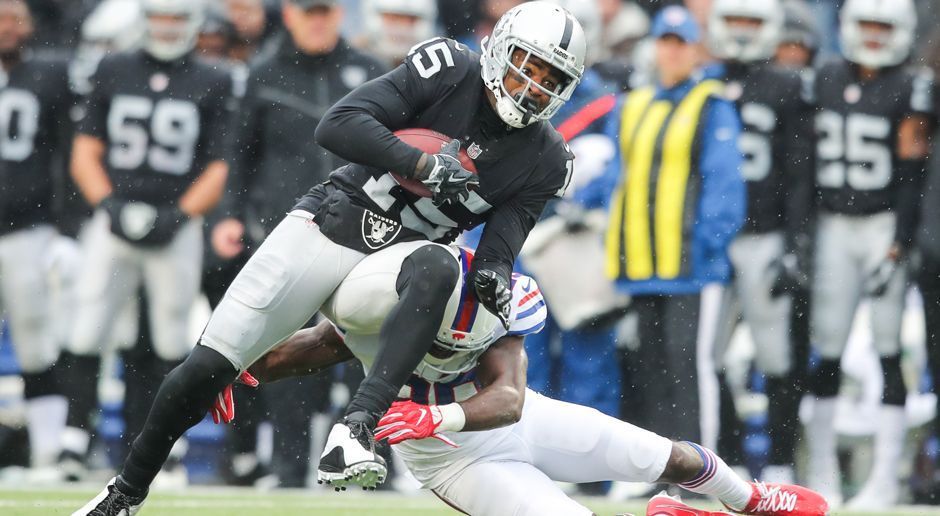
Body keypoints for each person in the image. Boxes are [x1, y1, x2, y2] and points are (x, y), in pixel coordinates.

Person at [75, 2, 584, 513]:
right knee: (203, 367)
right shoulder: (451, 69)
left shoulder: (545, 158)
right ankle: (124, 494)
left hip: (397, 266)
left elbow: (500, 250)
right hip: (330, 224)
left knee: (441, 265)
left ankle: (357, 427)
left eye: (549, 78)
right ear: (499, 50)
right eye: (527, 64)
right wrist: (419, 164)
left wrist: (495, 279)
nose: (532, 85)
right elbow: (338, 124)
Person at [204, 242, 828, 516]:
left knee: (662, 455)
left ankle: (749, 501)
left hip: (505, 420)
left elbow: (508, 400)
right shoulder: (388, 311)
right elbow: (314, 345)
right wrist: (236, 367)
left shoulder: (504, 311)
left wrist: (435, 412)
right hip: (452, 461)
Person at [211, 0, 386, 486]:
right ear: (287, 13)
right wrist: (228, 216)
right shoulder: (264, 73)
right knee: (286, 355)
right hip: (286, 233)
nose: (316, 19)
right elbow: (239, 153)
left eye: (324, 10)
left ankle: (370, 466)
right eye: (308, 10)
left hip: (364, 236)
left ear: (338, 14)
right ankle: (289, 471)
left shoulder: (371, 72)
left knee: (362, 349)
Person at [60, 0, 232, 480]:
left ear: (193, 23)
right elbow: (85, 150)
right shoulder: (113, 68)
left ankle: (168, 450)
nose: (168, 27)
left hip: (177, 224)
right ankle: (73, 444)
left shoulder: (213, 79)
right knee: (86, 326)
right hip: (113, 220)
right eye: (160, 16)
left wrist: (181, 214)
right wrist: (108, 204)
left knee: (171, 336)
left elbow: (220, 164)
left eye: (177, 18)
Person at [804, 0, 933, 508]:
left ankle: (884, 477)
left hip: (882, 224)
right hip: (834, 223)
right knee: (828, 347)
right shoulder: (828, 76)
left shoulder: (912, 84)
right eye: (867, 25)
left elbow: (912, 172)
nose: (875, 36)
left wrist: (901, 240)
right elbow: (803, 157)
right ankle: (820, 473)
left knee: (886, 347)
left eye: (885, 27)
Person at [597, 5, 745, 445]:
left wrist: (708, 244)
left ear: (696, 49)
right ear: (655, 46)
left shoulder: (711, 104)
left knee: (689, 364)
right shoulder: (634, 104)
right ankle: (664, 466)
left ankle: (703, 466)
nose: (673, 52)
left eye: (682, 43)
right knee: (652, 366)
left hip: (691, 265)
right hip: (641, 264)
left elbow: (725, 183)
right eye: (666, 41)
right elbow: (613, 179)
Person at [706, 0, 816, 483]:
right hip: (713, 239)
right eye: (735, 20)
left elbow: (799, 172)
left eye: (752, 20)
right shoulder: (705, 81)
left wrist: (795, 243)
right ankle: (723, 456)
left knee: (775, 356)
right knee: (707, 358)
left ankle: (780, 460)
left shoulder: (788, 84)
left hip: (763, 235)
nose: (743, 31)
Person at [0, 0, 73, 471]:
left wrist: (68, 229)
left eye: (15, 19)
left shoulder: (49, 74)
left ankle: (48, 449)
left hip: (26, 227)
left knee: (35, 337)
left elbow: (67, 150)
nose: (7, 27)